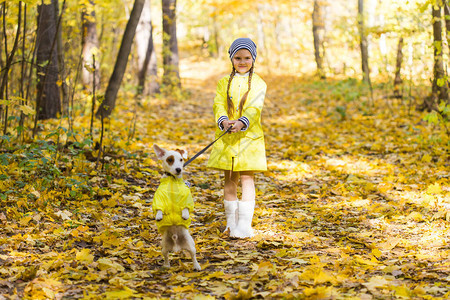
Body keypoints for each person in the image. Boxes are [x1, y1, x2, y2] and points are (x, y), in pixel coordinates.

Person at [207, 38, 267, 238]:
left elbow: (254, 107)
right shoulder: (224, 82)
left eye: (247, 58)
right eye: (238, 58)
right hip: (227, 137)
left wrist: (242, 121)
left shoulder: (259, 83)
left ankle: (244, 225)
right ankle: (231, 224)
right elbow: (219, 104)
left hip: (249, 137)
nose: (242, 62)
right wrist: (223, 120)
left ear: (253, 59)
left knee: (247, 178)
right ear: (232, 59)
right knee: (229, 179)